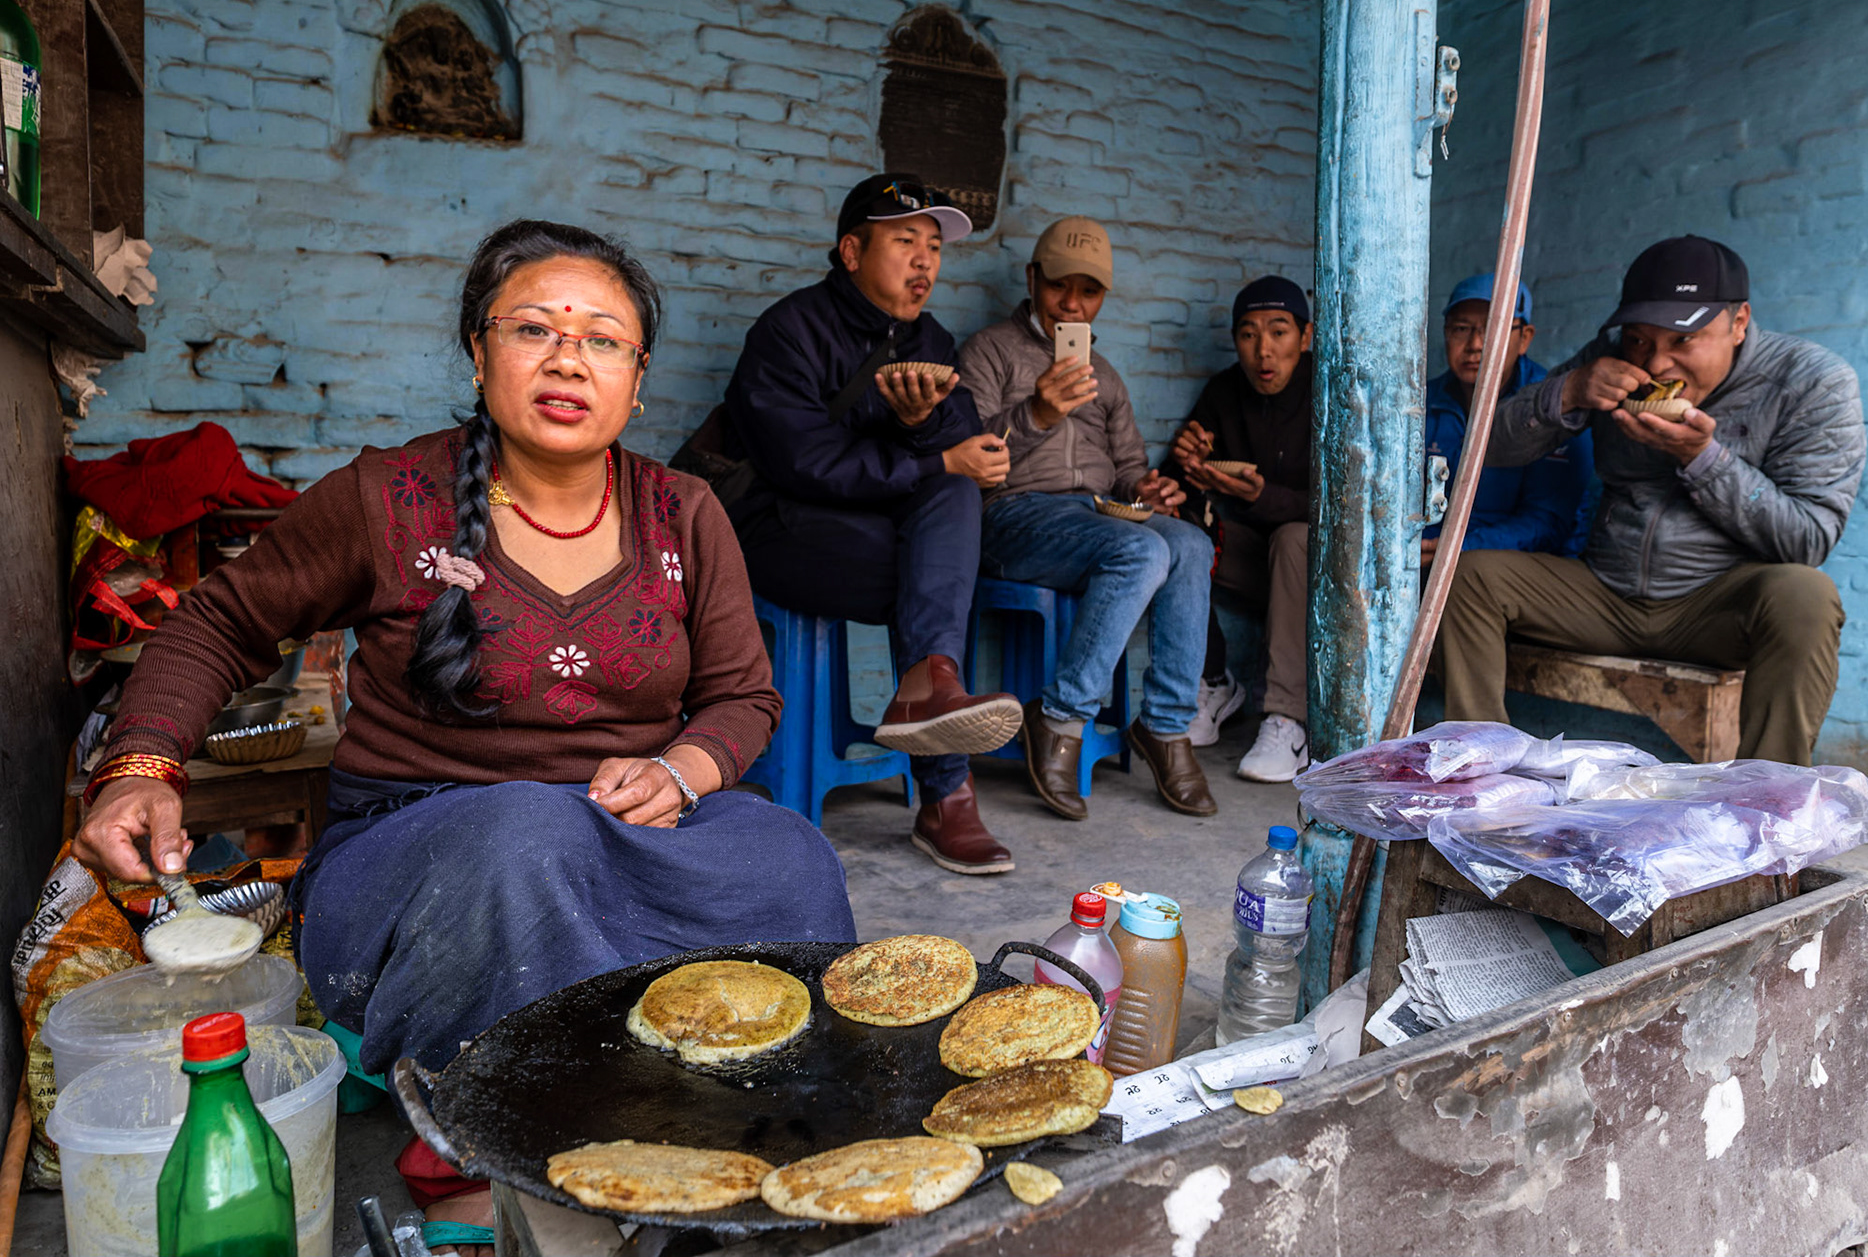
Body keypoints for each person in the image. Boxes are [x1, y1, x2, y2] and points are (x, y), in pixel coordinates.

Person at [72, 220, 857, 1246]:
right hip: (430, 846)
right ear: (480, 352)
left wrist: (682, 766)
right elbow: (219, 619)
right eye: (534, 328)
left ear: (639, 378)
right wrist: (139, 765)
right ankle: (535, 1144)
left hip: (634, 827)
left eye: (604, 339)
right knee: (526, 838)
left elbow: (743, 696)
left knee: (792, 858)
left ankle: (750, 1126)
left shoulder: (685, 511)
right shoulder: (389, 498)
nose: (570, 356)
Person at [1439, 235, 1865, 765]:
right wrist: (1568, 392)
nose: (1656, 363)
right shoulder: (1610, 358)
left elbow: (1808, 537)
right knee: (1469, 576)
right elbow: (1493, 446)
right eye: (1640, 340)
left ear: (1738, 323)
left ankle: (1766, 802)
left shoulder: (1811, 382)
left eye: (1682, 341)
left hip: (1714, 607)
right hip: (1604, 593)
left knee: (1806, 594)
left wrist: (1702, 459)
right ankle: (1484, 771)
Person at [721, 174, 1023, 874]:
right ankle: (946, 785)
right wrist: (928, 454)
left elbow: (962, 448)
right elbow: (803, 462)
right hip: (780, 528)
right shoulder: (789, 331)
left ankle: (933, 683)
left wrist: (923, 435)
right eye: (905, 242)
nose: (925, 261)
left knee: (953, 501)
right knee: (940, 569)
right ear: (852, 251)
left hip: (879, 535)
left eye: (934, 246)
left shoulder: (935, 342)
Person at [958, 217, 1215, 820]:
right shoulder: (989, 351)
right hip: (1012, 516)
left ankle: (1166, 728)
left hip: (1097, 518)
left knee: (1190, 543)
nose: (1072, 305)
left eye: (1089, 292)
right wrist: (1038, 412)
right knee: (1143, 551)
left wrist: (1146, 487)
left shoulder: (1109, 377)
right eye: (1058, 287)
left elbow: (1127, 470)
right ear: (1032, 280)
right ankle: (1059, 719)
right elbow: (969, 459)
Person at [1170, 276, 1314, 783]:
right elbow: (1175, 481)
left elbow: (1348, 508)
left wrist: (1260, 496)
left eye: (1278, 332)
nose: (1263, 351)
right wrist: (1185, 464)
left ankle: (1286, 720)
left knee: (1294, 537)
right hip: (1256, 563)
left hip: (1322, 574)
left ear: (1306, 336)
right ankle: (1212, 682)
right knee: (1174, 528)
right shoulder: (1224, 390)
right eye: (1249, 334)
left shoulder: (1331, 394)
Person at [1423, 274, 1594, 565]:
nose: (1475, 344)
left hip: (1508, 569)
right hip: (1425, 559)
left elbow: (1547, 523)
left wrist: (1458, 549)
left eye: (1494, 328)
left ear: (1524, 338)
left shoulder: (1552, 408)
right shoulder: (1422, 402)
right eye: (1461, 329)